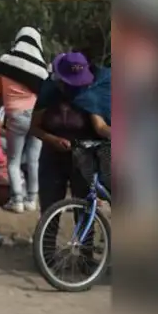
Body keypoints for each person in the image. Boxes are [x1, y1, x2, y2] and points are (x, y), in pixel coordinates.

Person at [30, 52, 111, 214]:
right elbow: (33, 126)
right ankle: (45, 240)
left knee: (83, 211)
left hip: (83, 160)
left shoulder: (89, 95)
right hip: (51, 160)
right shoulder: (49, 94)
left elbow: (100, 127)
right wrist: (52, 139)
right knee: (49, 210)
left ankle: (84, 240)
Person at [0, 26, 50, 213]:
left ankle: (17, 200)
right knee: (34, 159)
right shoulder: (42, 70)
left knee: (13, 160)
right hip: (37, 117)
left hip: (16, 116)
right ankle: (32, 200)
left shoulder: (5, 62)